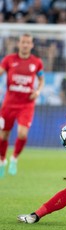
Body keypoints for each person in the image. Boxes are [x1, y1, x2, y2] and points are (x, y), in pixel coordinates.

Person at [0, 33, 45, 178]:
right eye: (23, 42)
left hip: (26, 104)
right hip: (9, 103)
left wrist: (37, 91)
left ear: (31, 45)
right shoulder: (9, 60)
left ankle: (14, 159)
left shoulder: (36, 62)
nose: (25, 45)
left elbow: (41, 79)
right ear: (19, 44)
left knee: (22, 133)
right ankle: (2, 161)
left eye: (28, 43)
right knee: (4, 135)